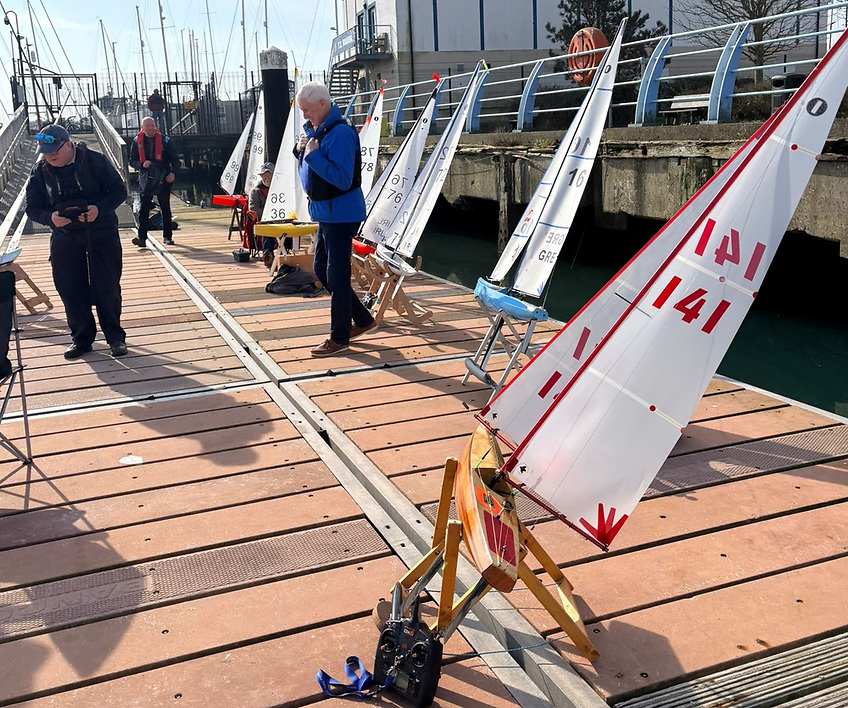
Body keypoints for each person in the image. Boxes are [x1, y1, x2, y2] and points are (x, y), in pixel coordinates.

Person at [24, 124, 129, 359]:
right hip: (64, 236)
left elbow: (119, 191)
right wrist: (50, 218)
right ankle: (82, 339)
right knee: (70, 288)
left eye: (55, 150)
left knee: (107, 287)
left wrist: (99, 210)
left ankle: (115, 337)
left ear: (69, 145)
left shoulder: (95, 161)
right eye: (45, 151)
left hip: (101, 232)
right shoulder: (40, 171)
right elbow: (32, 207)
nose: (50, 155)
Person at [294, 81, 376, 358]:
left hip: (341, 214)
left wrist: (313, 155)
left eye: (307, 110)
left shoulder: (339, 133)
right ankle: (363, 319)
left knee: (338, 275)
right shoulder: (318, 131)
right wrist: (302, 153)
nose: (305, 116)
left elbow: (342, 179)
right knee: (322, 268)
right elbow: (311, 170)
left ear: (321, 104)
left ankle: (339, 337)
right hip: (325, 213)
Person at [130, 116, 178, 248]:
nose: (150, 128)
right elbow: (131, 161)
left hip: (163, 176)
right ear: (142, 127)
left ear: (155, 126)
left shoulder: (165, 140)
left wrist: (173, 173)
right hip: (147, 178)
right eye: (147, 126)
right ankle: (142, 238)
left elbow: (175, 159)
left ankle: (167, 236)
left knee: (165, 207)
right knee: (144, 208)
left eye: (152, 126)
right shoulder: (136, 141)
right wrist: (141, 164)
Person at [247, 162, 280, 267]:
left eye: (269, 175)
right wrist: (267, 214)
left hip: (281, 218)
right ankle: (268, 254)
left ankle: (287, 253)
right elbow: (253, 208)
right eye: (264, 175)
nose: (266, 178)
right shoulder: (256, 191)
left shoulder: (282, 189)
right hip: (265, 219)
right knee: (267, 227)